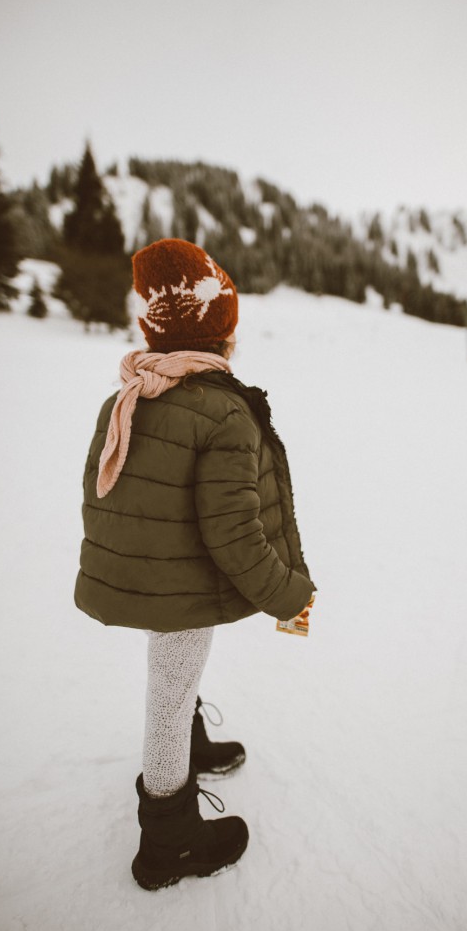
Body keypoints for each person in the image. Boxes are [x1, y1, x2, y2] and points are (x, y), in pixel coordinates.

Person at [74, 238, 316, 890]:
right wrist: (289, 593)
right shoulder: (220, 411)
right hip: (180, 582)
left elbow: (108, 497)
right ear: (221, 336)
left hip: (153, 573)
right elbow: (235, 533)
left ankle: (187, 743)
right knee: (169, 692)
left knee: (176, 681)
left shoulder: (129, 396)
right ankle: (169, 842)